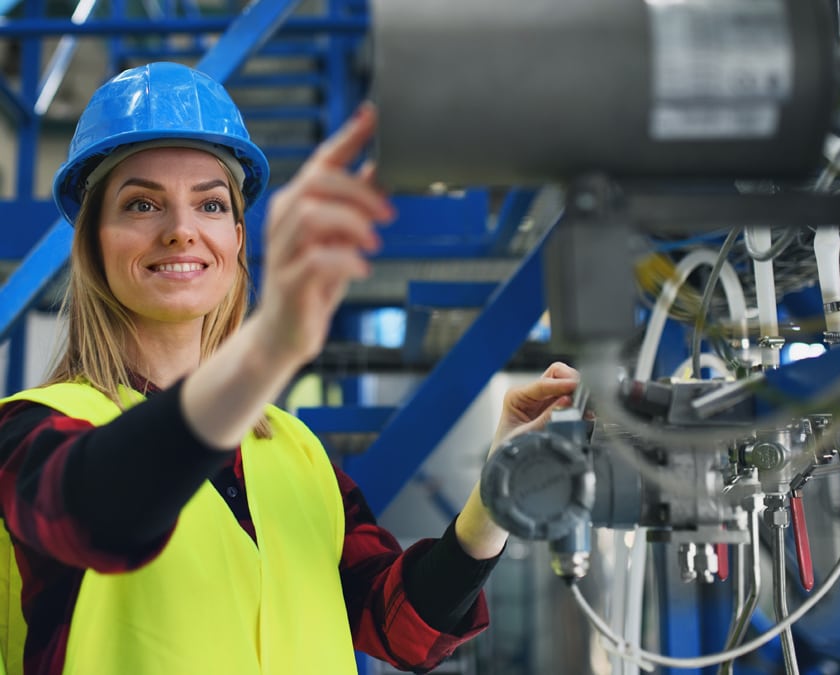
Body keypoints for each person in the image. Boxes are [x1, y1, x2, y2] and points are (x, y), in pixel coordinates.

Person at [0, 61, 579, 675]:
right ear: (92, 242)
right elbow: (98, 514)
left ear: (237, 239)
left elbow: (403, 628)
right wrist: (270, 345)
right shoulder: (32, 434)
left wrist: (496, 496)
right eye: (142, 204)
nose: (181, 231)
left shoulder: (297, 453)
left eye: (211, 205)